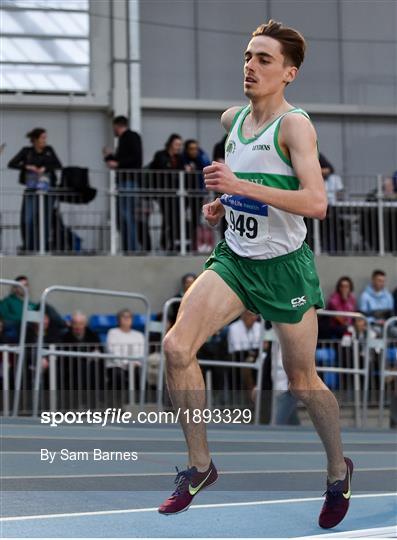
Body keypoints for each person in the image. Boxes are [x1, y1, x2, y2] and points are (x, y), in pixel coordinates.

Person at [158, 20, 352, 530]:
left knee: (303, 381)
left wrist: (242, 183)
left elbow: (316, 203)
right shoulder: (232, 120)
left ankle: (337, 470)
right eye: (248, 56)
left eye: (264, 59)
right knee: (177, 348)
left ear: (288, 73)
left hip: (284, 269)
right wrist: (225, 202)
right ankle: (200, 467)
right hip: (236, 259)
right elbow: (251, 185)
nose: (250, 65)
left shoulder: (295, 126)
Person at [8, 128, 62, 252]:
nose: (45, 140)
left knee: (45, 220)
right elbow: (11, 163)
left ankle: (43, 247)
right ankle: (28, 246)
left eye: (45, 138)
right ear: (35, 140)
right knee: (27, 219)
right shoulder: (27, 151)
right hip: (32, 188)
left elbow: (58, 165)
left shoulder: (49, 150)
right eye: (42, 138)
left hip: (47, 189)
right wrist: (27, 166)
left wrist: (45, 168)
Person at [103, 116, 143, 252]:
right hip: (125, 181)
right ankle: (129, 247)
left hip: (129, 181)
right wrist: (109, 156)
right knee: (124, 216)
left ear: (117, 125)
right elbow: (117, 161)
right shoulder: (125, 139)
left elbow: (135, 159)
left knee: (126, 215)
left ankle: (132, 248)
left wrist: (117, 163)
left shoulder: (131, 137)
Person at [148, 134, 185, 251]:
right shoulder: (161, 155)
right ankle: (165, 243)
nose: (178, 147)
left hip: (175, 192)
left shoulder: (179, 158)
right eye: (177, 145)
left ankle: (173, 243)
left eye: (180, 145)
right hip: (164, 191)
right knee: (168, 217)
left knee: (175, 218)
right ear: (170, 144)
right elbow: (162, 168)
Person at [106, 309, 145, 404]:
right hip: (117, 365)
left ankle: (136, 403)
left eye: (129, 317)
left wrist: (136, 362)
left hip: (135, 365)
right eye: (124, 317)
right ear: (119, 320)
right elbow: (113, 352)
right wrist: (126, 363)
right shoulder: (112, 333)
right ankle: (118, 404)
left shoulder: (138, 335)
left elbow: (141, 351)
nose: (127, 319)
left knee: (139, 375)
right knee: (118, 376)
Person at [359, 270, 394, 336]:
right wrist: (375, 321)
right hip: (371, 326)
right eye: (379, 280)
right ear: (373, 280)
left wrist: (386, 322)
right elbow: (363, 316)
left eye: (383, 281)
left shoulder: (388, 295)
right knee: (374, 333)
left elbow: (391, 314)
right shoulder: (365, 296)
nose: (381, 283)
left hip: (387, 325)